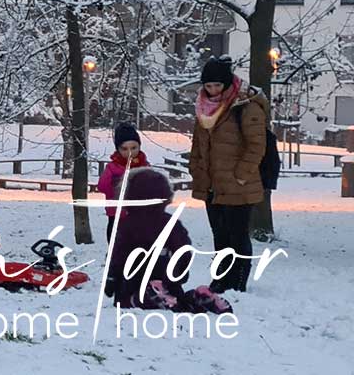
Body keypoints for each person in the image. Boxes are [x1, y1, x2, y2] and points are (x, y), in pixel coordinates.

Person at [188, 57, 268, 294]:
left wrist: (241, 175)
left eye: (217, 85)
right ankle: (221, 278)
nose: (213, 91)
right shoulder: (203, 109)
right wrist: (196, 169)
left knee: (237, 235)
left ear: (227, 83)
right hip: (211, 184)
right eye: (208, 86)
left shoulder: (245, 106)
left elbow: (256, 146)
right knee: (219, 235)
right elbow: (197, 144)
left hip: (238, 185)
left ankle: (239, 279)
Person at [107, 167, 196, 309]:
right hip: (166, 276)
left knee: (127, 290)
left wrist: (111, 279)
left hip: (134, 280)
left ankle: (140, 298)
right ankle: (172, 295)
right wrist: (180, 273)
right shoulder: (171, 223)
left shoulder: (127, 225)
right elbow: (183, 250)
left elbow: (118, 254)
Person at [97, 122, 150, 241]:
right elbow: (102, 186)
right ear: (118, 149)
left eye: (134, 148)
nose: (130, 152)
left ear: (139, 146)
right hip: (117, 216)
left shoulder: (145, 166)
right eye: (125, 149)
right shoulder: (113, 167)